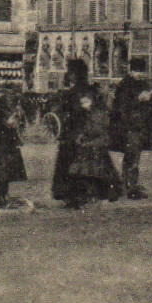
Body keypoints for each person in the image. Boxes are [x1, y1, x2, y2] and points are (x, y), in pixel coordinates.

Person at [110, 57, 152, 199]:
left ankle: (128, 184)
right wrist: (140, 99)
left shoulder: (141, 84)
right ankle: (131, 188)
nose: (139, 74)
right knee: (132, 157)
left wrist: (150, 97)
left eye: (141, 71)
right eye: (136, 71)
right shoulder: (125, 85)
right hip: (129, 127)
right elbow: (122, 107)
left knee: (133, 156)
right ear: (130, 71)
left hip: (139, 126)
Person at [67, 85, 122, 205]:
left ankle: (101, 194)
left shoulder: (98, 114)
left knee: (95, 170)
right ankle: (88, 194)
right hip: (91, 145)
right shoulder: (88, 113)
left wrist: (88, 142)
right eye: (82, 103)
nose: (84, 105)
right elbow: (86, 129)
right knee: (84, 169)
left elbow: (99, 132)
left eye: (86, 102)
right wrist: (80, 138)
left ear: (92, 101)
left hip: (98, 145)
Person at [52, 58, 95, 205]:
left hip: (75, 132)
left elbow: (73, 110)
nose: (68, 75)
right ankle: (83, 194)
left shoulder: (75, 92)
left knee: (70, 163)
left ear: (75, 74)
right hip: (84, 132)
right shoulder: (87, 89)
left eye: (70, 72)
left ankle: (73, 195)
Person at [0, 89, 28, 207]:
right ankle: (2, 196)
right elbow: (10, 123)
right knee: (3, 170)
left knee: (7, 170)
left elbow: (16, 125)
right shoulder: (5, 114)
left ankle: (4, 194)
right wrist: (15, 117)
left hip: (7, 142)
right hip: (3, 143)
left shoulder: (8, 112)